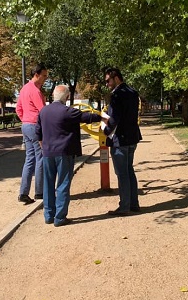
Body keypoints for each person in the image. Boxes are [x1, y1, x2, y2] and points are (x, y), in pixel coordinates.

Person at [36, 85, 103, 227]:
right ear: (66, 97)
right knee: (63, 184)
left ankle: (48, 215)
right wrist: (102, 116)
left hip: (48, 153)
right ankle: (60, 218)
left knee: (48, 184)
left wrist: (44, 147)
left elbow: (38, 132)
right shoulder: (68, 111)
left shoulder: (43, 111)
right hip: (64, 153)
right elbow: (87, 117)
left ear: (53, 95)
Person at [103, 67, 142, 216]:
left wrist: (105, 131)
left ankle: (124, 206)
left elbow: (114, 119)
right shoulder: (132, 92)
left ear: (116, 78)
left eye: (108, 81)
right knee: (129, 170)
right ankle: (134, 203)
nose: (107, 84)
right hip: (133, 137)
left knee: (122, 173)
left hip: (121, 139)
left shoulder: (117, 95)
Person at [16, 63, 48, 204]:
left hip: (26, 126)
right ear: (37, 75)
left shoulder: (24, 89)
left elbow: (18, 109)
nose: (45, 79)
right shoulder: (35, 91)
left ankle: (23, 192)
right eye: (44, 76)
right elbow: (43, 111)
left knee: (29, 160)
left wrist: (25, 120)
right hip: (35, 126)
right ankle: (39, 192)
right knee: (40, 157)